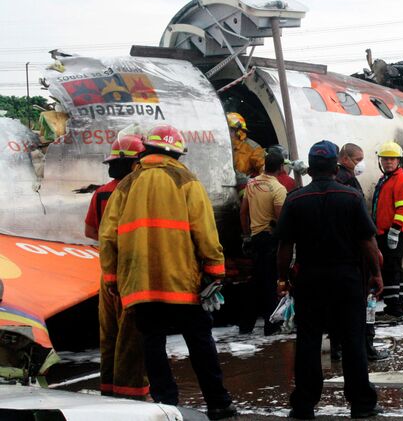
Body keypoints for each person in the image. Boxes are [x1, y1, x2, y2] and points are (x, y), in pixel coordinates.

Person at [99, 125, 236, 420]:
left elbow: (107, 236)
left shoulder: (126, 185)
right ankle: (218, 402)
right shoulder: (186, 179)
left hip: (140, 285)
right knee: (200, 342)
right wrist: (215, 270)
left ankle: (166, 403)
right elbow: (206, 231)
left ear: (147, 149)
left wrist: (111, 278)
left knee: (152, 344)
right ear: (175, 152)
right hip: (182, 284)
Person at [276, 140, 384, 419]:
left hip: (310, 278)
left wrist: (282, 277)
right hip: (347, 278)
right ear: (336, 166)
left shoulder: (296, 199)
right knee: (352, 340)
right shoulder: (351, 197)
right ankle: (361, 404)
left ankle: (303, 405)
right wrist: (376, 273)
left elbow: (285, 245)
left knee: (309, 341)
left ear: (310, 169)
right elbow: (368, 241)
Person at [85, 132, 148, 400]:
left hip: (106, 270)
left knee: (108, 334)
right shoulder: (139, 191)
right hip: (132, 270)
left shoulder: (100, 194)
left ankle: (108, 389)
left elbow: (91, 232)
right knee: (131, 336)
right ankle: (132, 393)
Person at [333, 143, 388, 362]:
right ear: (344, 159)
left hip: (340, 255)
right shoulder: (347, 185)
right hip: (357, 256)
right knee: (365, 304)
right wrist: (374, 257)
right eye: (357, 159)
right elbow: (363, 231)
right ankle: (366, 347)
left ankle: (339, 347)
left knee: (340, 306)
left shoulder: (340, 180)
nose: (361, 163)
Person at [239, 151, 287, 335]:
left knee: (255, 282)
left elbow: (243, 212)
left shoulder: (252, 184)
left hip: (255, 237)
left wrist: (246, 235)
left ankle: (246, 326)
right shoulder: (278, 189)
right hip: (270, 238)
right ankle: (271, 325)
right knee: (270, 284)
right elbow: (280, 219)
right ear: (281, 167)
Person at [371, 141, 403, 319]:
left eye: (392, 159)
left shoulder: (402, 180)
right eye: (385, 159)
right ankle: (398, 307)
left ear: (399, 161)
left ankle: (393, 310)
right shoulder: (386, 179)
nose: (388, 162)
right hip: (384, 231)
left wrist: (395, 231)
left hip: (393, 232)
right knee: (393, 268)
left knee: (390, 269)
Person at [227, 112, 265, 187]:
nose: (227, 133)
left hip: (245, 189)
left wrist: (249, 181)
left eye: (230, 130)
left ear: (239, 132)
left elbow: (264, 169)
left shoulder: (253, 148)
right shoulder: (222, 145)